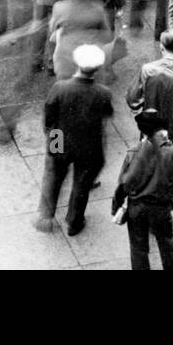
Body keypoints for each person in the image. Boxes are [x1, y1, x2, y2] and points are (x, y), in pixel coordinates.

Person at [127, 29, 173, 230]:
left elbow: (133, 98)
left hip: (154, 132)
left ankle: (154, 221)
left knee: (154, 171)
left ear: (161, 47)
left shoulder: (148, 70)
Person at [37, 44, 113, 235]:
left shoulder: (60, 87)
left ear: (77, 64)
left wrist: (51, 136)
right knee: (82, 183)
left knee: (53, 175)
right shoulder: (103, 93)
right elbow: (106, 114)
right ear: (97, 68)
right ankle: (74, 221)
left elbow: (49, 116)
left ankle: (46, 216)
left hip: (59, 138)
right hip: (89, 144)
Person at [111, 109, 173, 270]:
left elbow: (123, 184)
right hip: (160, 207)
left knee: (138, 248)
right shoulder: (170, 152)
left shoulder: (133, 153)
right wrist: (169, 144)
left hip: (136, 208)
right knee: (167, 244)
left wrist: (116, 205)